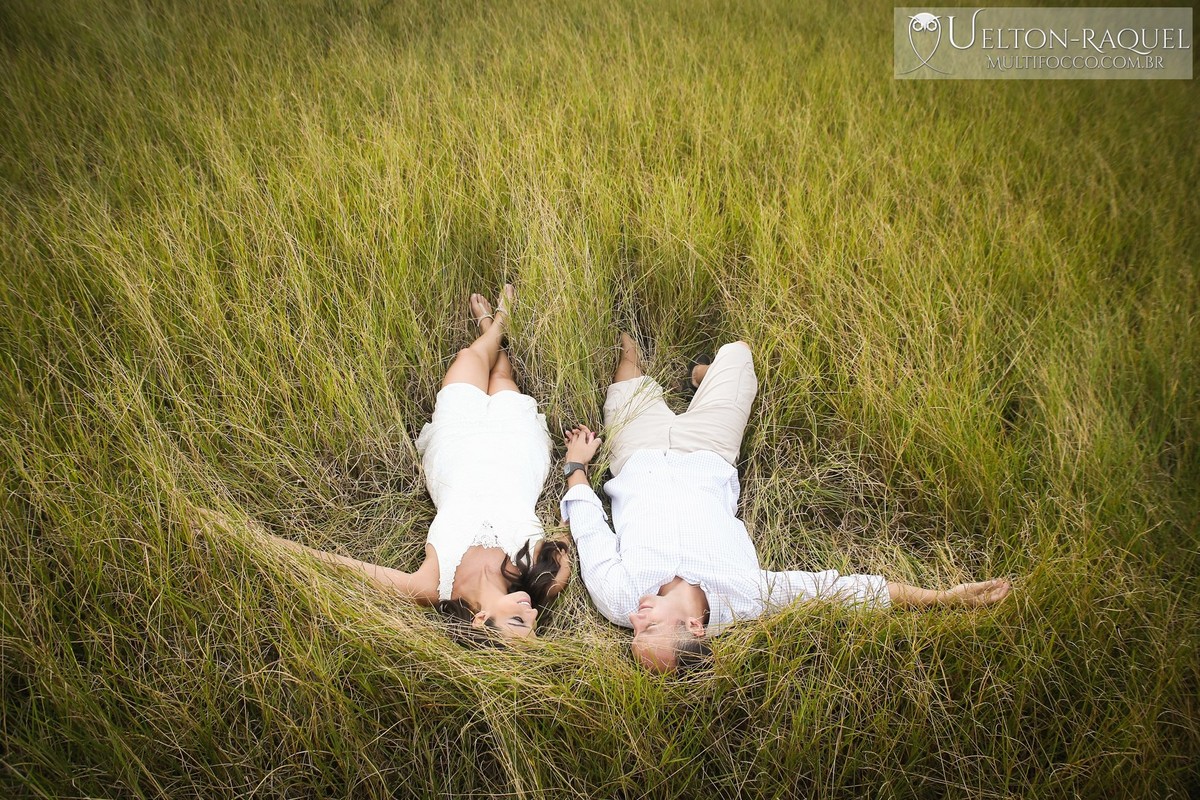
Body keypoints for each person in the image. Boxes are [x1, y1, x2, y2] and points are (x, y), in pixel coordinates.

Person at [560, 333, 1011, 673]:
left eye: (636, 633)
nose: (635, 622)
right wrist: (943, 598)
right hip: (709, 450)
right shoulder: (746, 597)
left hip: (637, 455)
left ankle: (638, 360)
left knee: (626, 374)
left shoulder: (619, 598)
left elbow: (588, 527)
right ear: (695, 628)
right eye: (650, 629)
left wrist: (576, 464)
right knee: (737, 354)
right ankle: (703, 378)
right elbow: (841, 591)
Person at [204, 286, 569, 646]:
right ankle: (498, 323)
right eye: (534, 622)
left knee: (469, 358)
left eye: (521, 621)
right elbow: (569, 538)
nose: (533, 613)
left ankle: (493, 325)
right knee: (502, 377)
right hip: (514, 448)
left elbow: (340, 567)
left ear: (479, 620)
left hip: (456, 446)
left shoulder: (430, 585)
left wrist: (253, 537)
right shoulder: (543, 581)